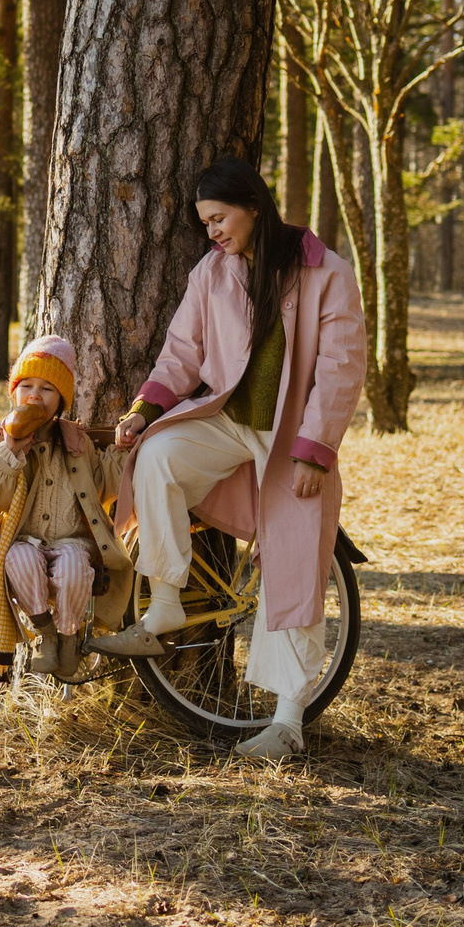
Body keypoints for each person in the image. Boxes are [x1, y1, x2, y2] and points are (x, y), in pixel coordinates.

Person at [87, 155, 368, 759]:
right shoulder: (212, 272)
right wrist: (145, 410)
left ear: (254, 208)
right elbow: (181, 351)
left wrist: (315, 451)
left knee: (293, 567)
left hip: (293, 441)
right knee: (157, 456)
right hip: (225, 421)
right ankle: (165, 604)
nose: (212, 231)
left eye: (218, 218)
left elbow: (341, 368)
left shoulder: (326, 272)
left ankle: (287, 723)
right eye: (204, 223)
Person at [0, 335, 133, 680]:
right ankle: (46, 632)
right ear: (14, 393)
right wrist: (10, 452)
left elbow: (102, 481)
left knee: (74, 569)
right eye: (26, 386)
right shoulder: (1, 439)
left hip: (72, 540)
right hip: (25, 540)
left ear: (60, 401)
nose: (34, 395)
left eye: (46, 389)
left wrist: (122, 451)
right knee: (18, 559)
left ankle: (69, 634)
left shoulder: (75, 440)